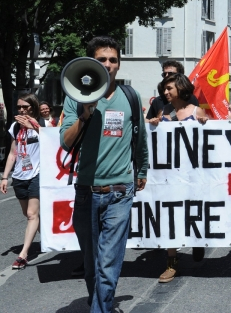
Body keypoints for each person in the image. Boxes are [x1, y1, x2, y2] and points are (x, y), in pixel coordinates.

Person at [60, 36, 149, 312]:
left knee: (108, 264)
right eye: (102, 60)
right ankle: (99, 303)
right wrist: (85, 114)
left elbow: (141, 139)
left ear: (119, 65)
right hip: (86, 193)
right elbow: (66, 141)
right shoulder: (76, 97)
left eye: (113, 60)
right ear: (91, 63)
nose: (108, 64)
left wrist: (142, 169)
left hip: (120, 193)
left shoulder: (130, 98)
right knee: (92, 264)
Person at [157, 73, 209, 283]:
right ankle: (172, 262)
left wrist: (206, 124)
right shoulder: (164, 112)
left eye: (169, 88)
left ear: (180, 87)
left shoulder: (197, 112)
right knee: (170, 215)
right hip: (169, 175)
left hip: (193, 174)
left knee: (193, 211)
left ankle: (197, 240)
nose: (165, 92)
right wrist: (153, 124)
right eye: (164, 89)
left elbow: (213, 143)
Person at [1, 94, 42, 270]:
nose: (21, 110)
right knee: (28, 214)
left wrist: (34, 126)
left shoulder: (42, 126)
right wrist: (5, 177)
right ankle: (50, 237)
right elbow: (12, 153)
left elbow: (54, 142)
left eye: (25, 106)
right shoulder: (15, 127)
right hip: (19, 176)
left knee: (33, 214)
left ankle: (23, 254)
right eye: (19, 107)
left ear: (33, 107)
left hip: (37, 174)